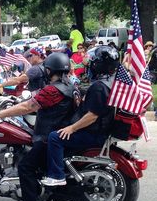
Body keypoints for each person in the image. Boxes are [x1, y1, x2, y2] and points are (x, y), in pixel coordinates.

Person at [0, 52, 79, 201]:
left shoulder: (52, 90)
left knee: (25, 167)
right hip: (60, 133)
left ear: (50, 70)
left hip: (47, 137)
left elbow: (27, 106)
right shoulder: (70, 85)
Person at [41, 46, 119, 186]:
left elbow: (92, 116)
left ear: (98, 65)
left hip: (94, 133)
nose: (88, 64)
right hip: (103, 130)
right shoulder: (111, 82)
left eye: (91, 62)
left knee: (54, 137)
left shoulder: (99, 87)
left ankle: (57, 176)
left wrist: (72, 128)